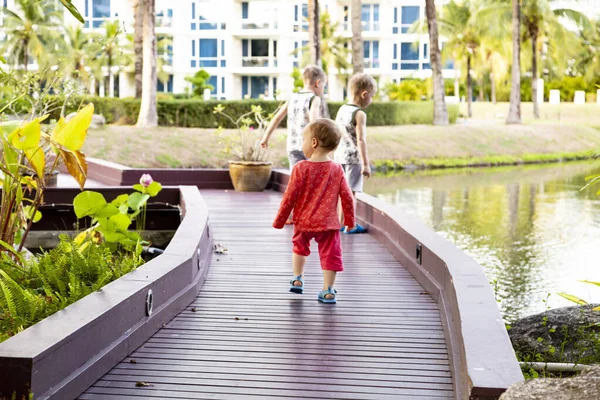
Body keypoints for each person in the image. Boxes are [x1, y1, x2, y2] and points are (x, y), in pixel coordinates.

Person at [273, 119, 355, 304]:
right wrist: (349, 220)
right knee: (330, 254)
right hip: (328, 223)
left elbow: (289, 196)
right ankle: (328, 290)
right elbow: (347, 197)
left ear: (314, 142)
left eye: (304, 139)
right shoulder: (336, 169)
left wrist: (281, 220)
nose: (302, 143)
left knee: (299, 247)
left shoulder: (300, 168)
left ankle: (297, 278)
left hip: (304, 221)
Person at [261, 65, 327, 224]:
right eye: (324, 85)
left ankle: (290, 215)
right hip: (308, 147)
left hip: (292, 146)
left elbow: (277, 118)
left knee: (296, 182)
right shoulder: (314, 99)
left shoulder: (293, 97)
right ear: (318, 83)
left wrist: (266, 137)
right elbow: (314, 122)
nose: (323, 88)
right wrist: (320, 144)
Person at [334, 73, 377, 234]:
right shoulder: (359, 114)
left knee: (341, 193)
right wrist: (365, 164)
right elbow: (361, 140)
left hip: (339, 157)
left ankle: (340, 223)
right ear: (364, 94)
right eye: (371, 96)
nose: (371, 100)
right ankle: (350, 225)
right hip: (353, 159)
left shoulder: (342, 109)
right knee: (351, 193)